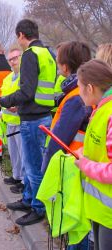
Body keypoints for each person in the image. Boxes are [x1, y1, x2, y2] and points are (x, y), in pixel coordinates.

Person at [0, 19, 56, 225]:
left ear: (21, 36)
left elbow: (26, 91)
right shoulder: (48, 54)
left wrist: (1, 101)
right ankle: (28, 199)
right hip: (43, 115)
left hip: (32, 120)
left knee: (33, 167)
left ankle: (37, 208)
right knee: (32, 165)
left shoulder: (30, 55)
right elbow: (40, 89)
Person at [75, 59, 112, 250]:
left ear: (89, 88)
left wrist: (84, 164)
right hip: (100, 210)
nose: (78, 93)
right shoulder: (100, 109)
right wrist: (84, 155)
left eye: (79, 88)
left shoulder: (109, 113)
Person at [41, 41, 92, 173]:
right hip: (79, 160)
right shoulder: (87, 91)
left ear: (65, 67)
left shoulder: (76, 97)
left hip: (71, 163)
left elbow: (60, 139)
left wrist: (47, 168)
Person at [0, 47, 24, 191]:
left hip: (20, 121)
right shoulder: (8, 78)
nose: (13, 62)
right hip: (9, 121)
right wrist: (2, 110)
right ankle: (16, 175)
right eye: (10, 59)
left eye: (15, 58)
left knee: (23, 154)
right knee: (13, 152)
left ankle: (23, 181)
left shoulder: (24, 77)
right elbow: (4, 96)